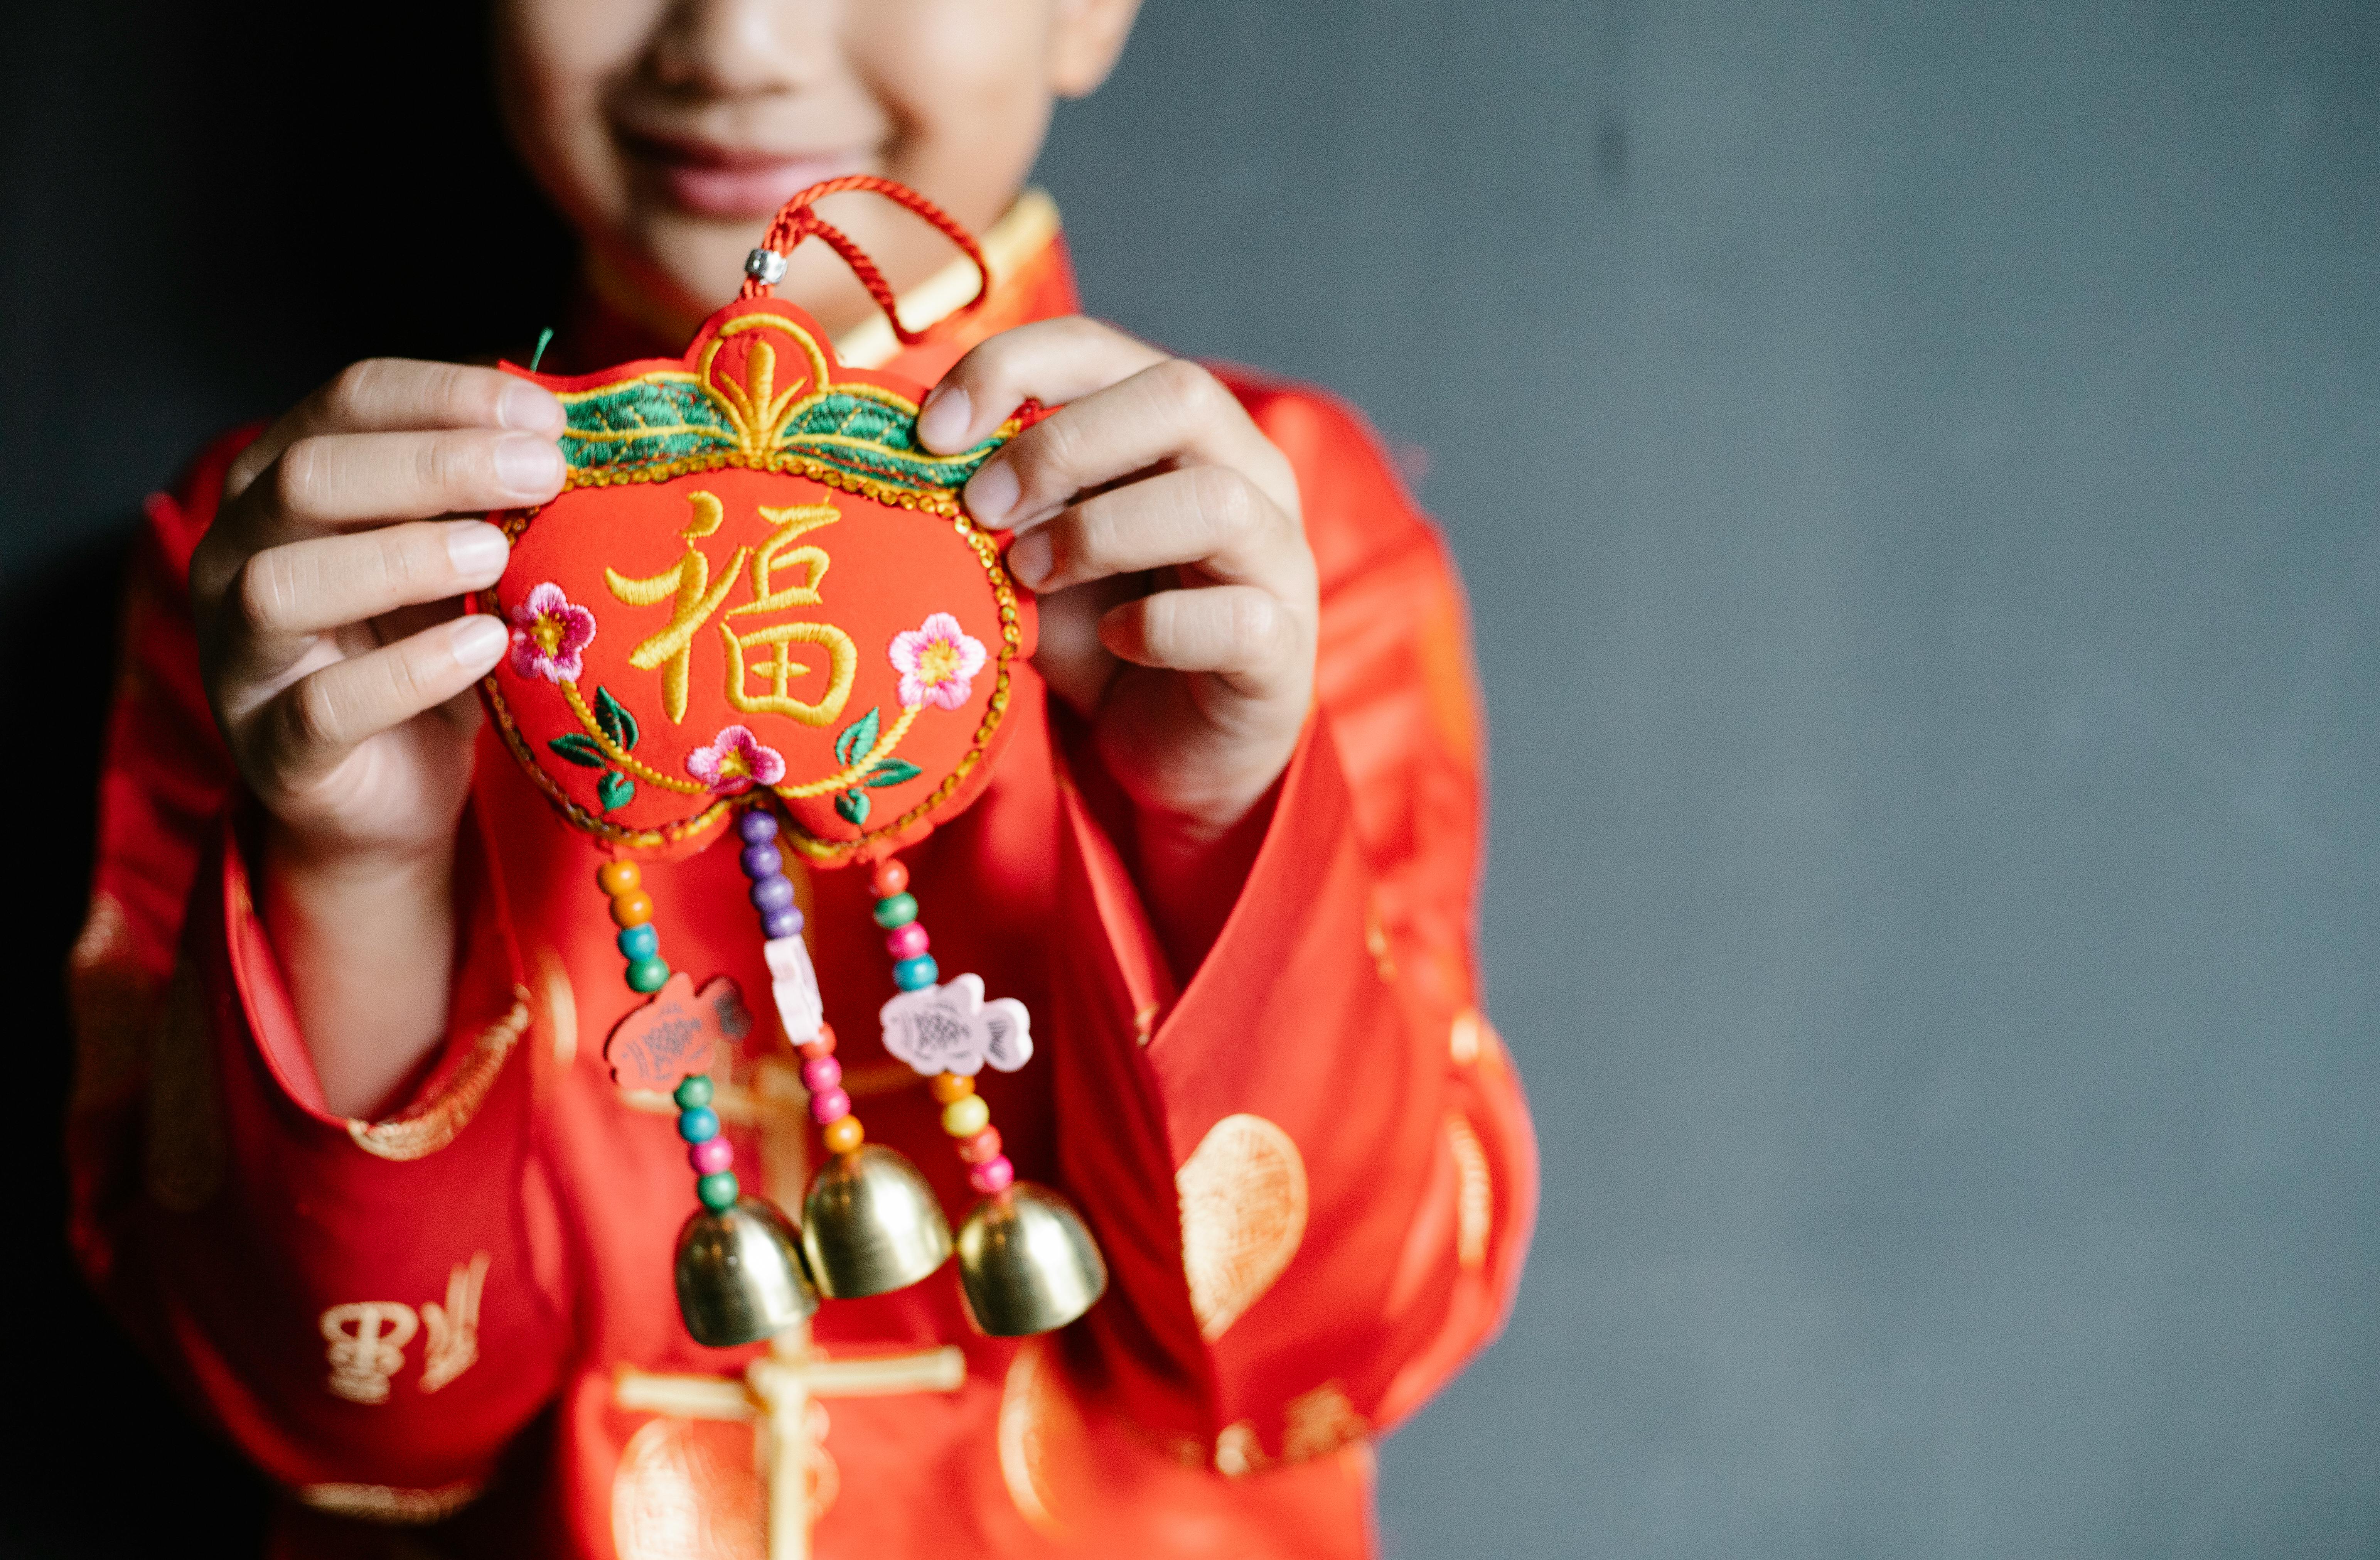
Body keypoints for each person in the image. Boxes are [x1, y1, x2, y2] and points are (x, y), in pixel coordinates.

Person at [66, 1, 1537, 1554]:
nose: (742, 41)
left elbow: (1328, 1355)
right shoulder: (293, 579)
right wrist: (349, 874)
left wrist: (1213, 818)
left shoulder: (1271, 541)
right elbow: (334, 1410)